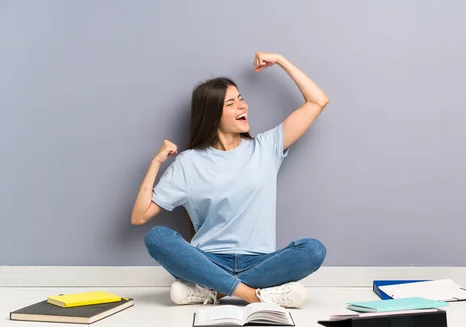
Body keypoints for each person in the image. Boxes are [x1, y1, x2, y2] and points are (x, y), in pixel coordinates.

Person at [131, 52, 329, 309]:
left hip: (260, 261)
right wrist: (156, 163)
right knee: (156, 237)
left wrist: (280, 60)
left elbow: (317, 101)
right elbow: (139, 216)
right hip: (206, 261)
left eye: (241, 99)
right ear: (213, 115)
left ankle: (214, 291)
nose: (243, 106)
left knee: (313, 250)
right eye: (231, 104)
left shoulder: (265, 148)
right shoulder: (189, 162)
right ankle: (255, 295)